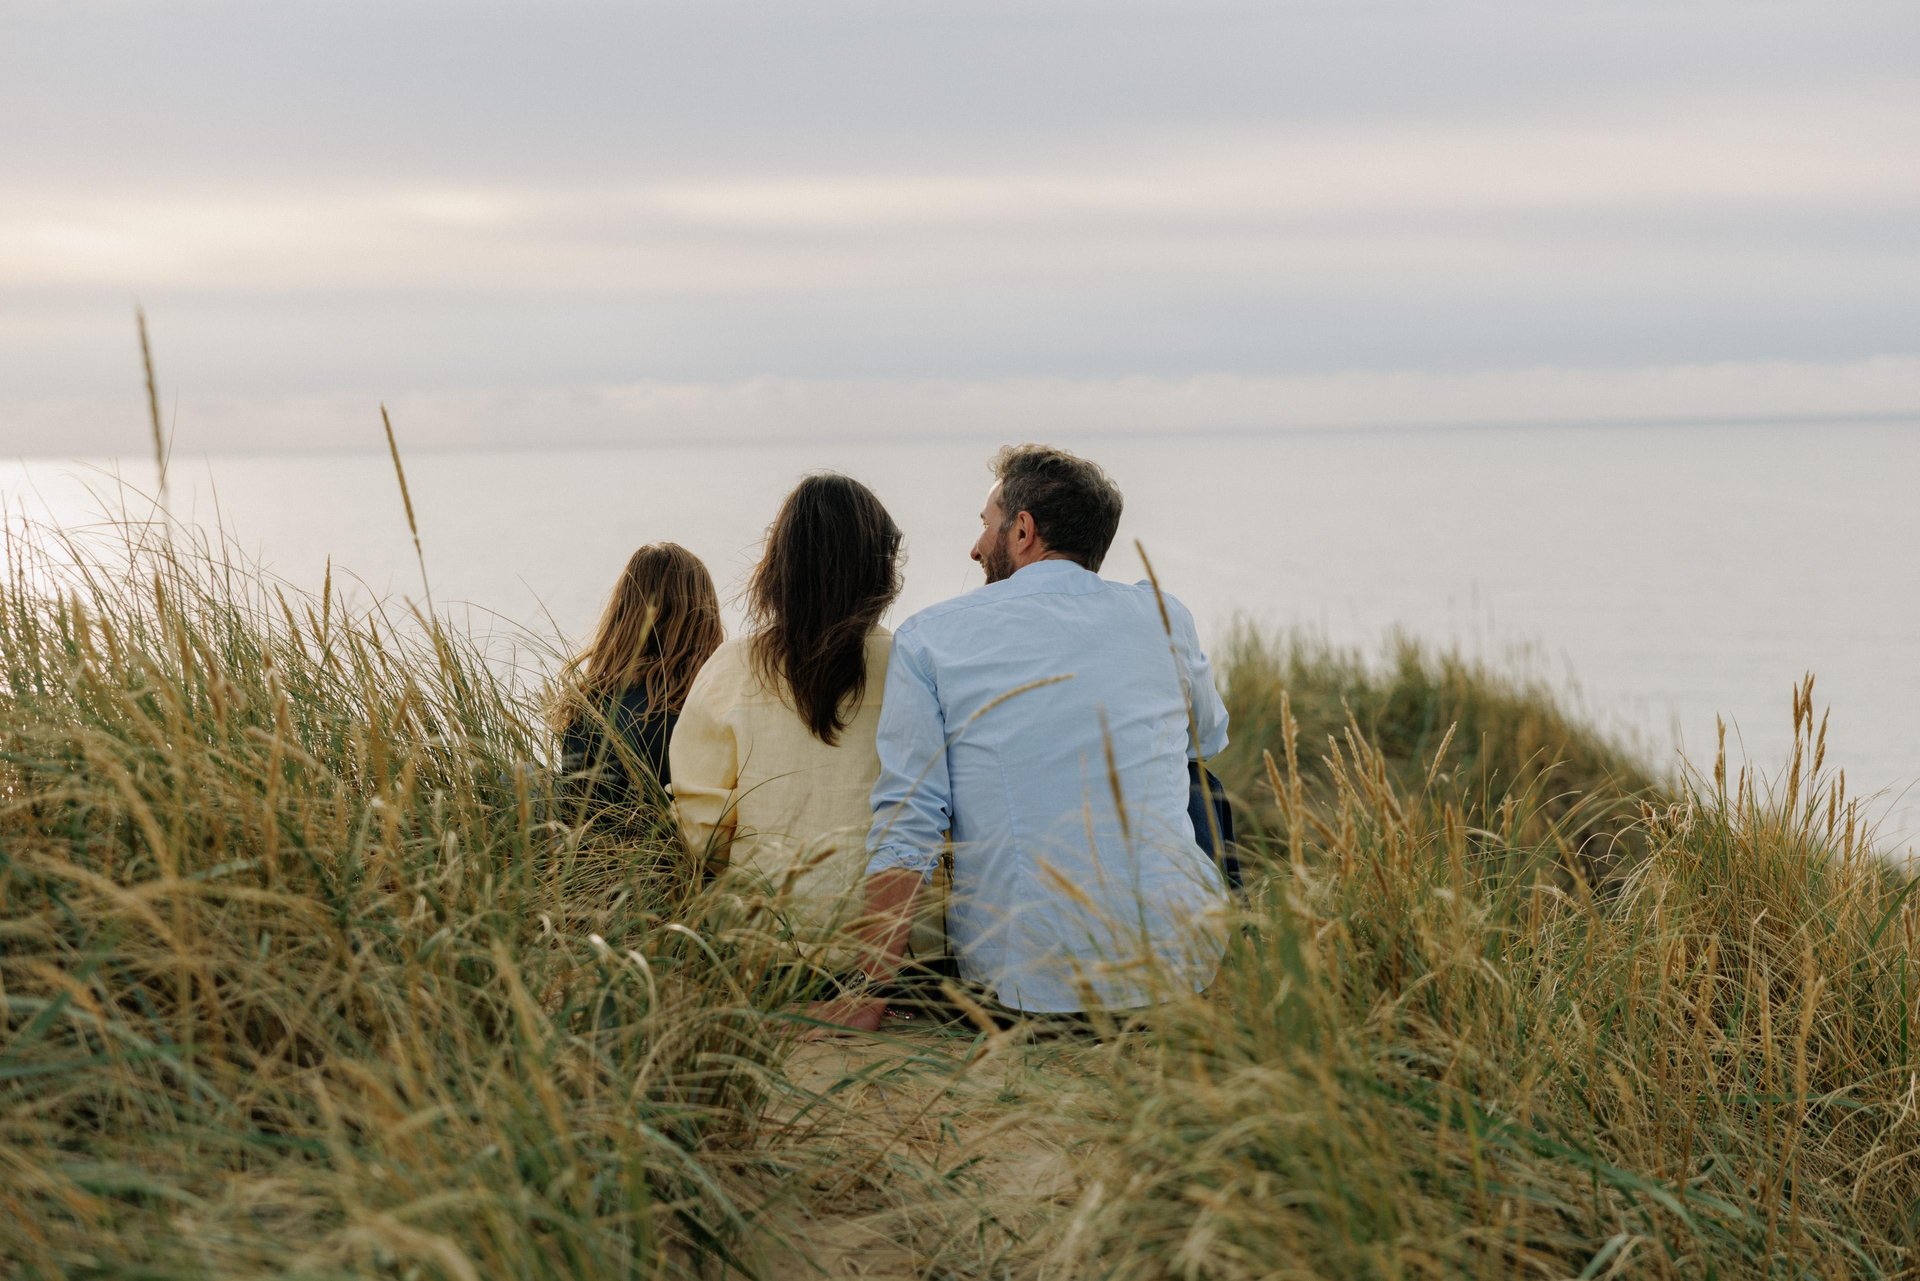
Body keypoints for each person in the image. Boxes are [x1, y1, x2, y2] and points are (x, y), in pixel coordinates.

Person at [814, 444, 1232, 1033]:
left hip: (1025, 991)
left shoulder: (931, 638)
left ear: (1024, 530)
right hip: (1175, 981)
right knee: (1197, 783)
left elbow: (909, 821)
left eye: (986, 526)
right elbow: (1209, 738)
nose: (976, 547)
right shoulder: (1165, 615)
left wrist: (865, 993)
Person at [670, 473, 942, 960]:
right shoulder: (915, 666)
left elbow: (702, 837)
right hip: (899, 959)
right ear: (879, 570)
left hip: (763, 948)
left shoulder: (730, 670)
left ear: (779, 566)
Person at [553, 542, 723, 822]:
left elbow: (575, 811)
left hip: (601, 860)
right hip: (693, 859)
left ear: (623, 613)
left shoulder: (591, 705)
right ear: (704, 617)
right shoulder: (716, 703)